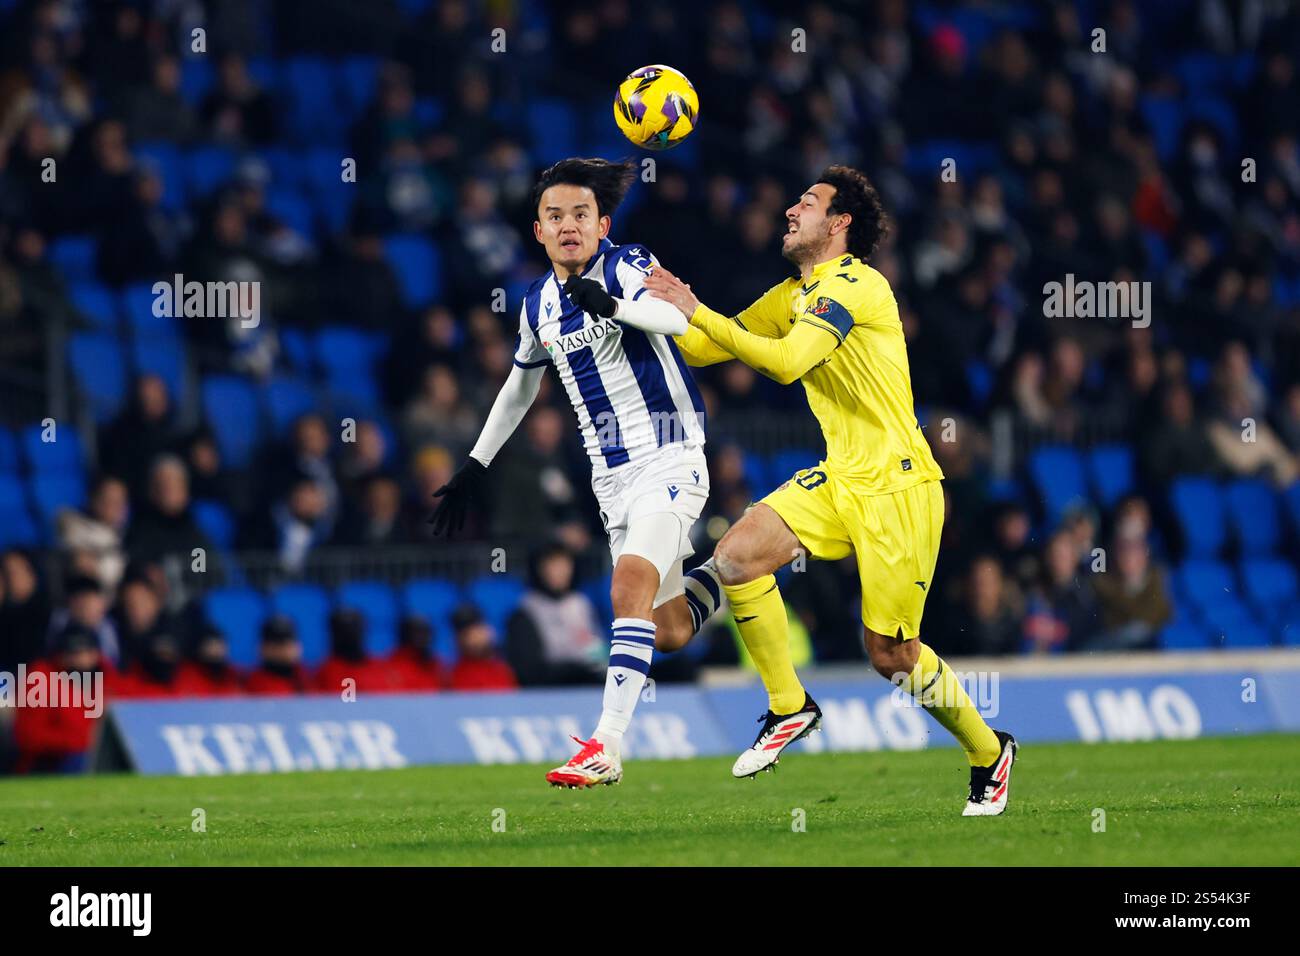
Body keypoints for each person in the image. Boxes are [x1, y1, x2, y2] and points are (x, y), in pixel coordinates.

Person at [644, 166, 1018, 815]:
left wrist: (695, 309)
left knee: (891, 654)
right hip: (841, 475)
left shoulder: (858, 285)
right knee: (737, 557)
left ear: (840, 223)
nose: (791, 209)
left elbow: (787, 363)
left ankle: (989, 753)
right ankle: (790, 706)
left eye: (807, 203)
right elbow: (710, 347)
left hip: (899, 485)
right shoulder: (793, 293)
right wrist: (638, 315)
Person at [429, 158, 727, 787]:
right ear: (538, 231)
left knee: (627, 587)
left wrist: (616, 305)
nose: (569, 225)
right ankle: (738, 565)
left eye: (581, 215)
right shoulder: (536, 304)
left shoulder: (628, 264)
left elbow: (681, 319)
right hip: (611, 479)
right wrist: (475, 465)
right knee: (667, 627)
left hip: (670, 453)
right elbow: (518, 388)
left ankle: (605, 746)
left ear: (603, 223)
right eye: (555, 216)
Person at [505, 542, 606, 686]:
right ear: (538, 569)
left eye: (564, 564)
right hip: (550, 693)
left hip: (589, 687)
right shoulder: (525, 612)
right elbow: (530, 672)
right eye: (552, 565)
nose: (560, 571)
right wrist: (576, 671)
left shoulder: (581, 605)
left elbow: (597, 652)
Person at [447, 605, 517, 692]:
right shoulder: (453, 675)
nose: (473, 636)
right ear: (457, 638)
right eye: (465, 633)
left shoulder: (503, 669)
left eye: (477, 628)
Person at [243, 616, 309, 696]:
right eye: (274, 644)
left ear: (298, 647)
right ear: (261, 648)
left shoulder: (307, 679)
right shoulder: (249, 684)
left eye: (285, 643)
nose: (279, 649)